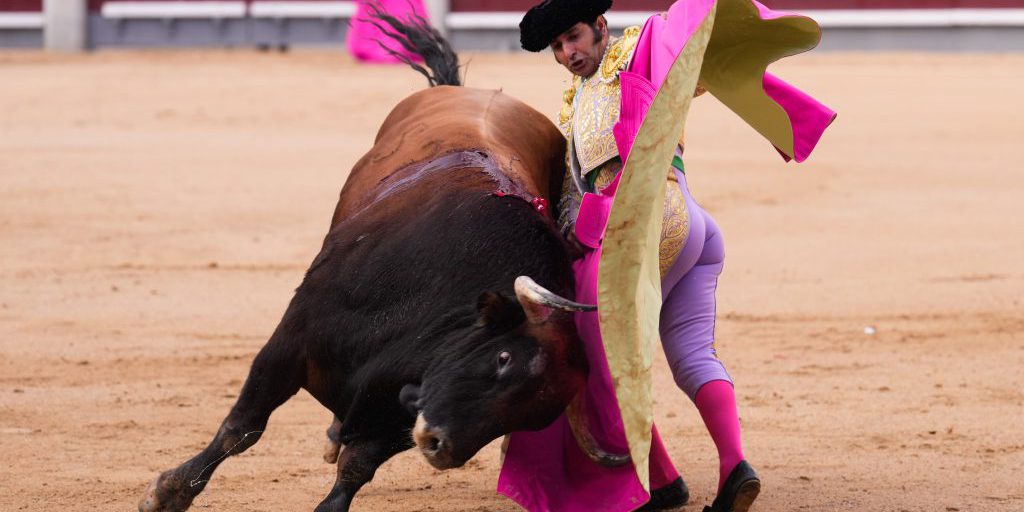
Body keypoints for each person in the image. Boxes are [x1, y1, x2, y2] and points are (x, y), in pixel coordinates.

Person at [502, 1, 834, 511]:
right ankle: (734, 468)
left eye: (573, 37)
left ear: (600, 28)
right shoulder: (580, 99)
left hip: (647, 228)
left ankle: (658, 480)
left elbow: (683, 31)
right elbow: (573, 200)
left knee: (586, 353)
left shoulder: (638, 50)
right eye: (557, 46)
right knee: (693, 357)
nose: (568, 52)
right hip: (692, 227)